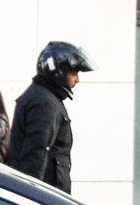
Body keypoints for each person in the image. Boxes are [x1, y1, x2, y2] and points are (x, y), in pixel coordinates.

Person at [7, 41, 94, 194]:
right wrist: (33, 197)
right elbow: (35, 155)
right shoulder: (45, 103)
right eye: (74, 73)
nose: (77, 79)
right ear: (58, 72)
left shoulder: (42, 97)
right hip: (46, 200)